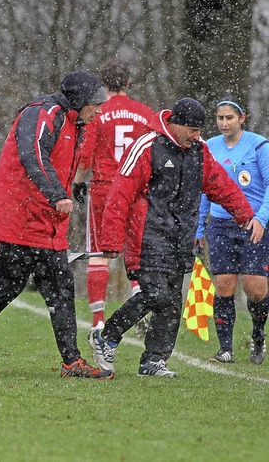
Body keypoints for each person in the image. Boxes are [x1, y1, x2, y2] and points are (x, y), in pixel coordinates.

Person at [0, 70, 113, 379]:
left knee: (60, 289)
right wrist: (56, 194)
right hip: (20, 219)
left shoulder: (75, 121)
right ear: (79, 101)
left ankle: (71, 362)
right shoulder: (42, 113)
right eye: (96, 104)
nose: (99, 110)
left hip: (47, 223)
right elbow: (33, 155)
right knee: (6, 289)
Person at [91, 98, 255, 378]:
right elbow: (120, 194)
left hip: (180, 238)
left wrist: (244, 215)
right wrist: (110, 241)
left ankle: (153, 361)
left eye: (199, 130)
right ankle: (107, 336)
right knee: (156, 294)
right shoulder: (147, 146)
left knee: (170, 302)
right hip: (146, 236)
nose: (197, 135)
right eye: (192, 129)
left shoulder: (199, 152)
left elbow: (221, 185)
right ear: (175, 123)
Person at [72, 61, 155, 336]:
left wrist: (77, 182)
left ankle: (97, 320)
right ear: (129, 83)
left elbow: (85, 155)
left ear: (103, 85)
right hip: (136, 191)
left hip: (105, 189)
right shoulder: (145, 114)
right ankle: (142, 303)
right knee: (136, 252)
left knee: (99, 253)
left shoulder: (98, 112)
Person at [195, 96, 269, 365]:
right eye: (220, 118)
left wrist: (261, 218)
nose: (224, 123)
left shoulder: (259, 146)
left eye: (229, 118)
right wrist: (200, 225)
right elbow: (206, 188)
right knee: (224, 285)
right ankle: (225, 349)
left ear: (242, 119)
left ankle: (258, 335)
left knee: (255, 288)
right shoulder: (209, 147)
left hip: (253, 223)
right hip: (221, 224)